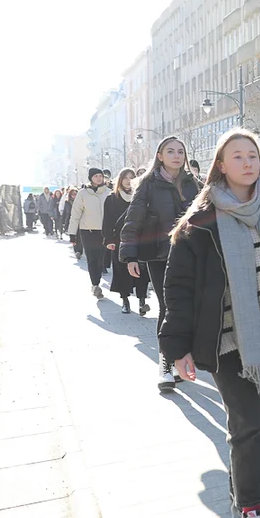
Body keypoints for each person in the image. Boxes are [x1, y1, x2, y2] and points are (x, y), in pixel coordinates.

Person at [162, 129, 260, 518]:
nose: (247, 163)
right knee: (250, 428)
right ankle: (252, 512)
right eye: (237, 156)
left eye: (253, 156)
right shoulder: (199, 221)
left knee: (254, 428)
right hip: (226, 337)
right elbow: (179, 287)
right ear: (220, 166)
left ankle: (240, 482)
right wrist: (177, 346)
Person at [120, 136, 202, 391]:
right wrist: (129, 255)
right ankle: (165, 366)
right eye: (170, 151)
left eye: (180, 151)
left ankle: (181, 358)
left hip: (190, 253)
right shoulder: (148, 184)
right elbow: (133, 219)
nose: (177, 155)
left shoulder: (194, 184)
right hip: (160, 255)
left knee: (190, 307)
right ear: (160, 155)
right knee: (168, 306)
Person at [103, 168, 151, 315]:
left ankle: (142, 301)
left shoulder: (140, 197)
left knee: (142, 270)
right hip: (119, 240)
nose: (129, 180)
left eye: (132, 177)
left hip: (140, 239)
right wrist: (108, 240)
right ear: (120, 179)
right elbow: (107, 221)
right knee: (122, 271)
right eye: (125, 177)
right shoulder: (112, 198)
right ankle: (125, 300)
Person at [68, 168, 112, 298]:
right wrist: (72, 233)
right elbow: (75, 214)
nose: (99, 178)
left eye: (101, 176)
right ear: (91, 178)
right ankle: (95, 284)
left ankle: (96, 280)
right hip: (88, 231)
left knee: (101, 258)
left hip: (105, 231)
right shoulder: (83, 193)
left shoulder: (109, 193)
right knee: (92, 259)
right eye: (96, 176)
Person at [63, 188, 79, 256]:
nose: (74, 196)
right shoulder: (67, 202)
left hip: (79, 220)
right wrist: (63, 222)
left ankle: (79, 251)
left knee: (79, 236)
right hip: (70, 220)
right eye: (72, 194)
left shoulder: (80, 201)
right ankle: (76, 251)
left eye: (75, 194)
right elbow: (65, 212)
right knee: (73, 236)